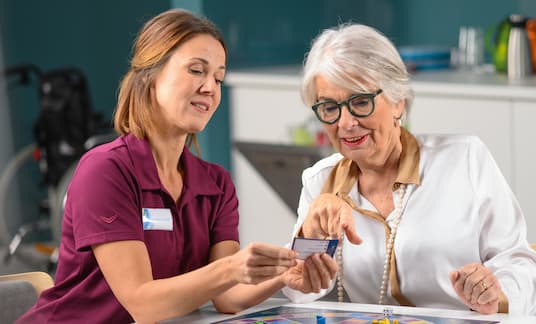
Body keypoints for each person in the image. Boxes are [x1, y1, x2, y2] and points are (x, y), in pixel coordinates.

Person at [18, 9, 336, 324]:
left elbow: (227, 296)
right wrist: (230, 268)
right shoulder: (105, 171)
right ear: (150, 76)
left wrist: (282, 276)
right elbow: (142, 304)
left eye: (218, 78)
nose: (210, 87)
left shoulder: (216, 184)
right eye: (196, 70)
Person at [282, 23, 536, 316]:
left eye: (360, 102)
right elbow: (299, 292)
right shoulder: (320, 182)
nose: (345, 122)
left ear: (398, 101)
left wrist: (496, 295)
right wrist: (309, 234)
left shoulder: (465, 159)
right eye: (330, 107)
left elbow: (521, 264)